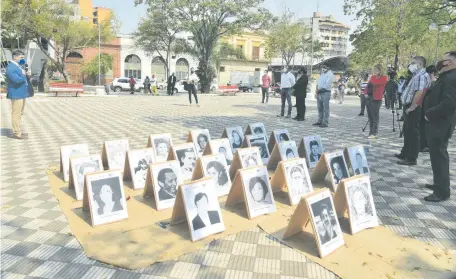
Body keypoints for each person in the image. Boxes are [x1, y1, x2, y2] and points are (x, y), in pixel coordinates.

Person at [421, 51, 456, 202]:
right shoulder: (446, 77)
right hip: (437, 123)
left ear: (451, 63)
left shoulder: (451, 78)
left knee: (439, 156)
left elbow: (449, 103)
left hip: (440, 123)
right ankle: (439, 184)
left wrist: (430, 113)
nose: (441, 62)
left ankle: (442, 192)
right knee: (436, 156)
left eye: (444, 60)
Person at [395, 56, 430, 166]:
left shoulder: (421, 76)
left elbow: (419, 92)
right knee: (407, 130)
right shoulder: (416, 75)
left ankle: (411, 158)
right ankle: (405, 153)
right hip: (409, 105)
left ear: (419, 64)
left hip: (413, 107)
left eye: (413, 63)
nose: (410, 65)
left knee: (412, 132)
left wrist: (413, 107)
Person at [6, 50, 32, 140]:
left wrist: (26, 75)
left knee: (20, 113)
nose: (22, 60)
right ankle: (17, 133)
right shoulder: (10, 67)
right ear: (15, 57)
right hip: (16, 93)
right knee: (16, 114)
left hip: (21, 93)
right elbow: (16, 80)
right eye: (21, 58)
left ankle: (19, 130)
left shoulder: (19, 66)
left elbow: (22, 77)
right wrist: (24, 75)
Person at [366, 64, 388, 139]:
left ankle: (374, 132)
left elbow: (375, 83)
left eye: (375, 70)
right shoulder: (372, 77)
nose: (374, 71)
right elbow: (367, 87)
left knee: (375, 116)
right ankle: (370, 131)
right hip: (369, 98)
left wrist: (372, 77)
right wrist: (365, 93)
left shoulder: (384, 78)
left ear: (380, 70)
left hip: (376, 99)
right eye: (373, 70)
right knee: (370, 116)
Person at [420, 65, 438, 153]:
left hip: (430, 108)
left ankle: (427, 145)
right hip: (424, 107)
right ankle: (423, 144)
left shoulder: (435, 83)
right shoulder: (427, 82)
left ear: (432, 73)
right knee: (423, 127)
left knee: (428, 128)